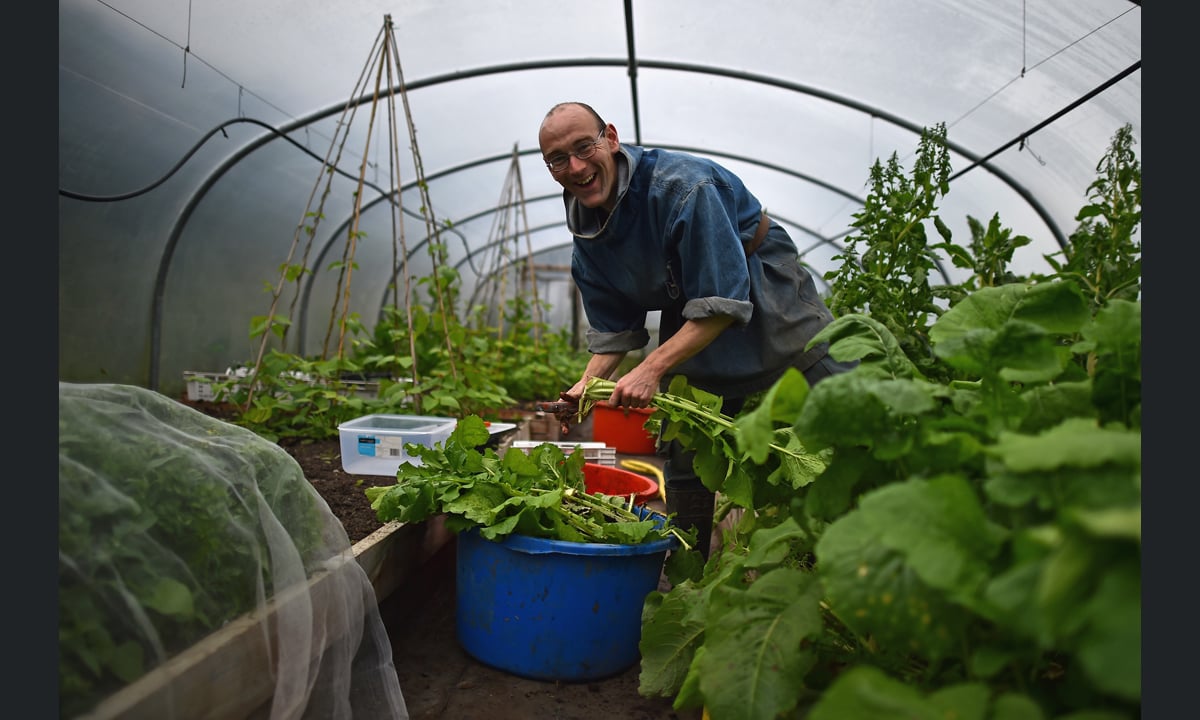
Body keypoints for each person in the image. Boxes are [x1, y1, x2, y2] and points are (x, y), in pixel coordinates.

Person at [539, 101, 855, 557]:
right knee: (688, 442)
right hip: (689, 311)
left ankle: (874, 522)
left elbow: (724, 301)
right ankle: (688, 562)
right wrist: (584, 388)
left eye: (584, 147)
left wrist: (650, 369)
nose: (576, 167)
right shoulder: (588, 233)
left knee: (840, 399)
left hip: (764, 287)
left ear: (610, 137)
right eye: (557, 159)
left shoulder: (684, 187)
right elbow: (615, 331)